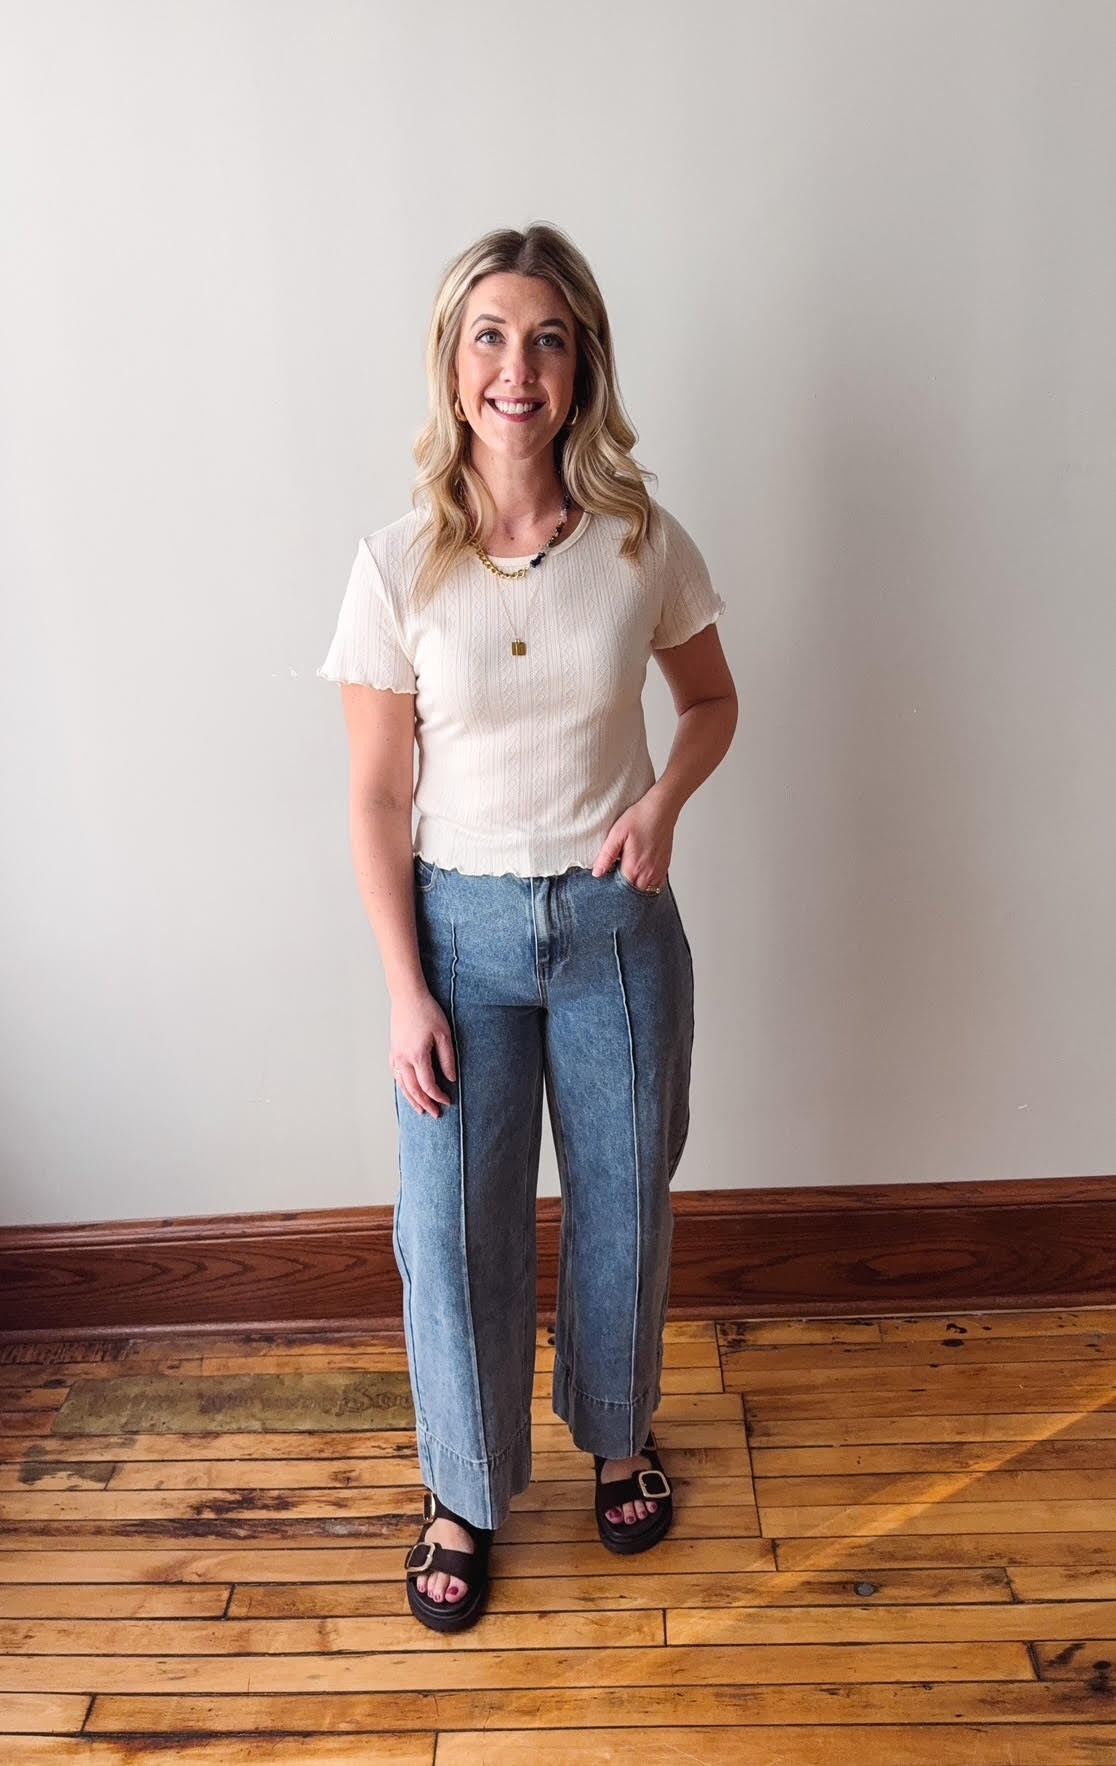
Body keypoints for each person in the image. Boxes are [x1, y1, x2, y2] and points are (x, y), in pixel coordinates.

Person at [317, 222, 737, 1632]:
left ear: (582, 368)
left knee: (624, 1199)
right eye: (490, 336)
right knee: (451, 1228)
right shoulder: (395, 568)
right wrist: (404, 990)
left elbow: (713, 701)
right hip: (459, 938)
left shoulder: (639, 543)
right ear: (452, 365)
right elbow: (378, 798)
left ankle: (620, 1435)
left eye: (548, 339)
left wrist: (663, 804)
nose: (518, 366)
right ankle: (463, 1488)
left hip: (618, 928)